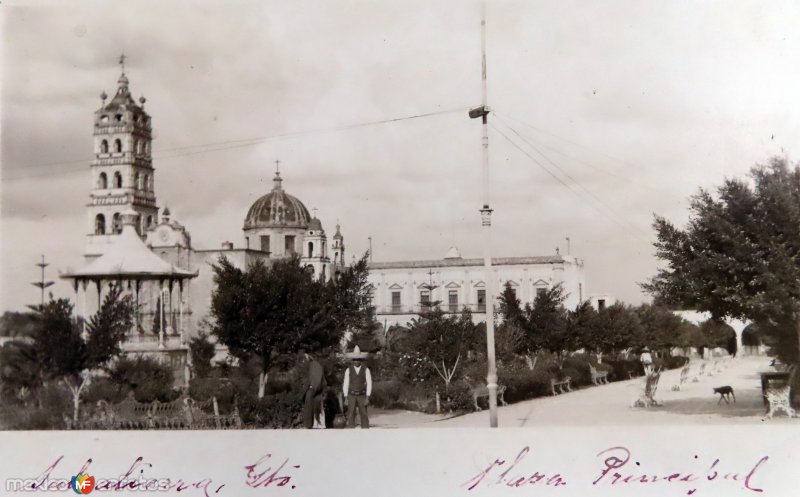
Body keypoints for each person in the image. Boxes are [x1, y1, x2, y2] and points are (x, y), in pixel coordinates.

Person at [342, 345, 372, 429]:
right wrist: (345, 397)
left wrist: (367, 397)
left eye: (358, 359)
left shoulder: (366, 369)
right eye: (354, 360)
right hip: (351, 394)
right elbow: (345, 383)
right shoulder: (348, 370)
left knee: (364, 414)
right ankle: (351, 432)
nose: (356, 361)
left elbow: (369, 383)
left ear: (361, 360)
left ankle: (366, 431)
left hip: (362, 394)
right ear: (352, 360)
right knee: (351, 413)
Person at [302, 352, 326, 429]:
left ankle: (309, 424)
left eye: (305, 357)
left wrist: (312, 388)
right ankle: (311, 424)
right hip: (315, 388)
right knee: (312, 405)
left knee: (311, 404)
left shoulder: (315, 365)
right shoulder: (313, 365)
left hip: (314, 389)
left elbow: (317, 379)